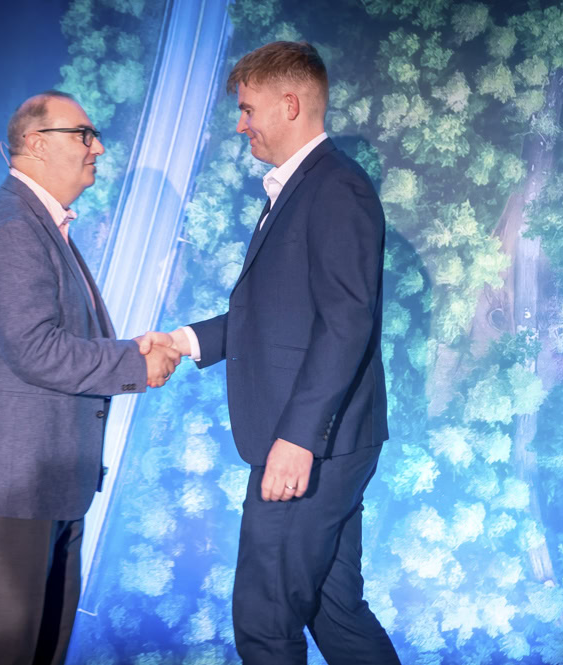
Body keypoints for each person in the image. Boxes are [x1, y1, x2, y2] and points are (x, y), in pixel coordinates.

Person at [145, 42, 400, 664]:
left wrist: (296, 439)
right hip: (325, 442)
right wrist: (182, 341)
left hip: (313, 445)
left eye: (247, 109)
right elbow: (271, 316)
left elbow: (346, 322)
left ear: (289, 105)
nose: (241, 125)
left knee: (265, 618)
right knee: (335, 611)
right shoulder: (300, 188)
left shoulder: (335, 188)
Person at [0, 90, 180, 665]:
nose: (97, 147)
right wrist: (135, 362)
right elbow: (35, 350)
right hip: (10, 482)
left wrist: (129, 351)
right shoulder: (11, 225)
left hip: (44, 481)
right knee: (8, 650)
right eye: (84, 134)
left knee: (41, 647)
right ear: (35, 144)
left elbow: (47, 341)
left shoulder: (35, 223)